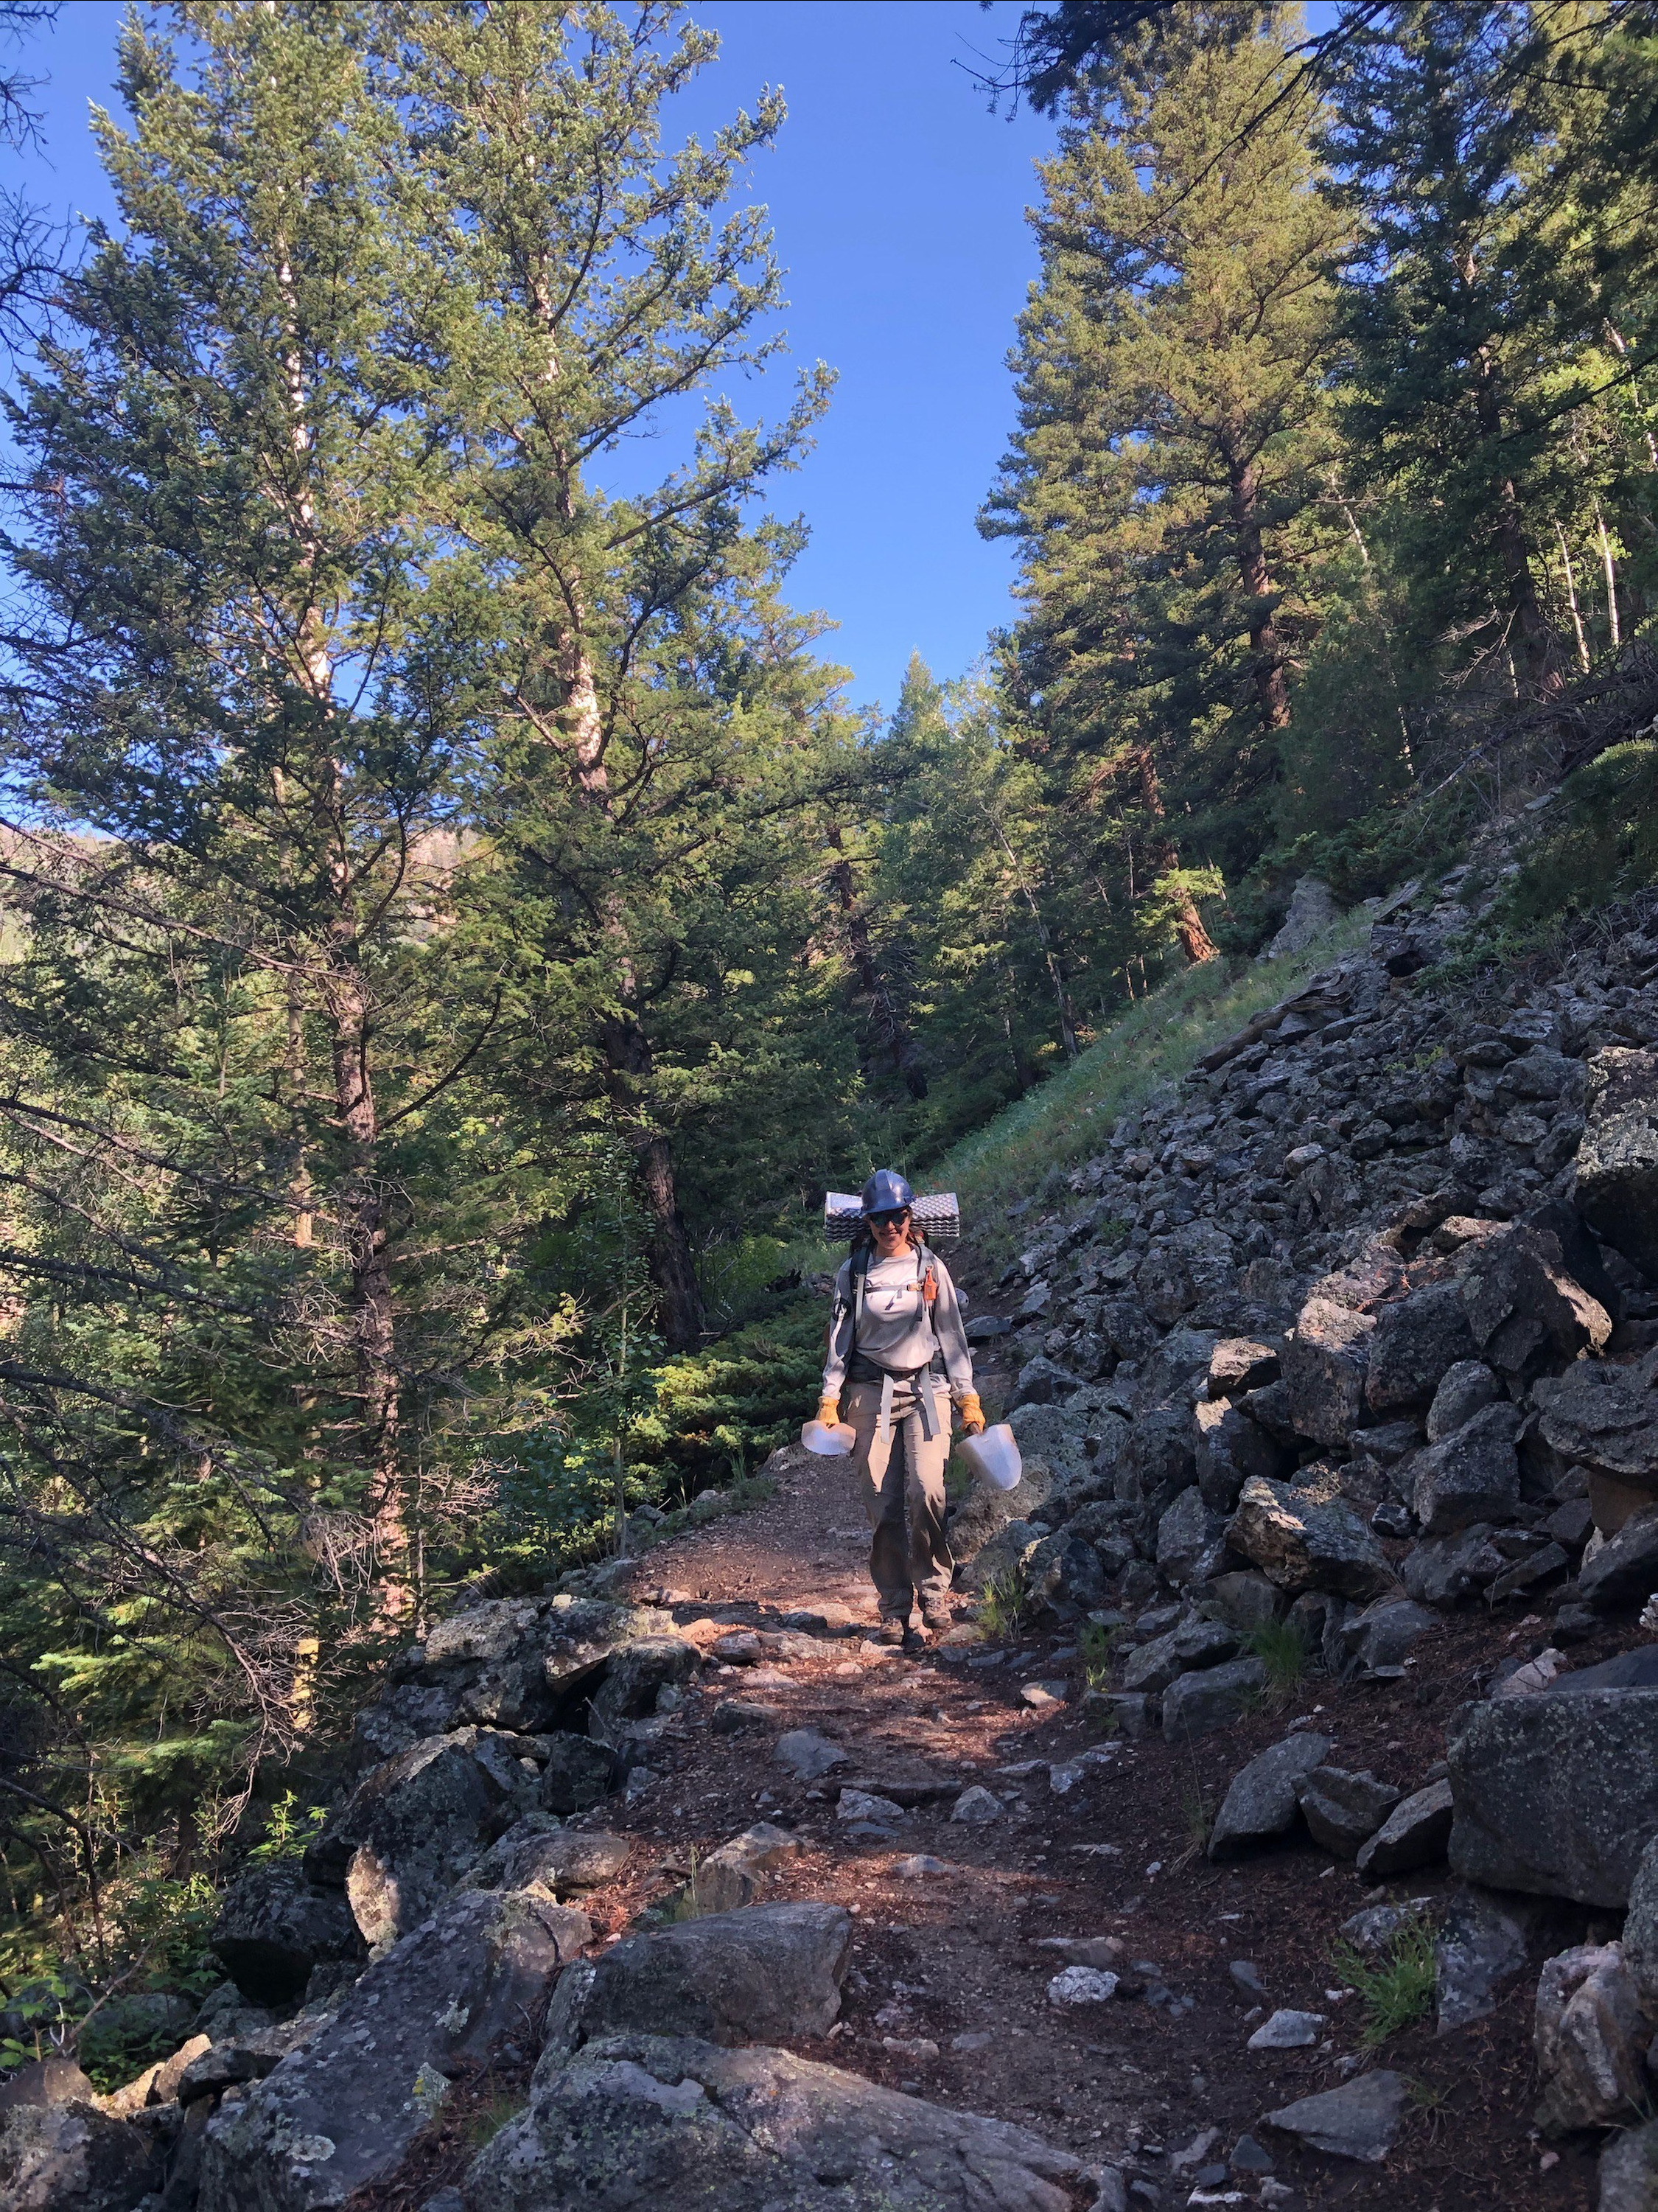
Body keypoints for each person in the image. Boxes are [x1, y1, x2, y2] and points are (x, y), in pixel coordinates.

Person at [816, 1170, 985, 1646]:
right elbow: (838, 1342)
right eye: (879, 1219)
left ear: (911, 1216)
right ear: (866, 1222)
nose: (890, 1226)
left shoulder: (931, 1267)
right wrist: (829, 1398)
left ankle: (934, 1591)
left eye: (898, 1216)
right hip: (869, 1394)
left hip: (927, 1388)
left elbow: (952, 1334)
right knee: (881, 1501)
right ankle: (894, 1607)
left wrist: (966, 1395)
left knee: (929, 1491)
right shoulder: (853, 1274)